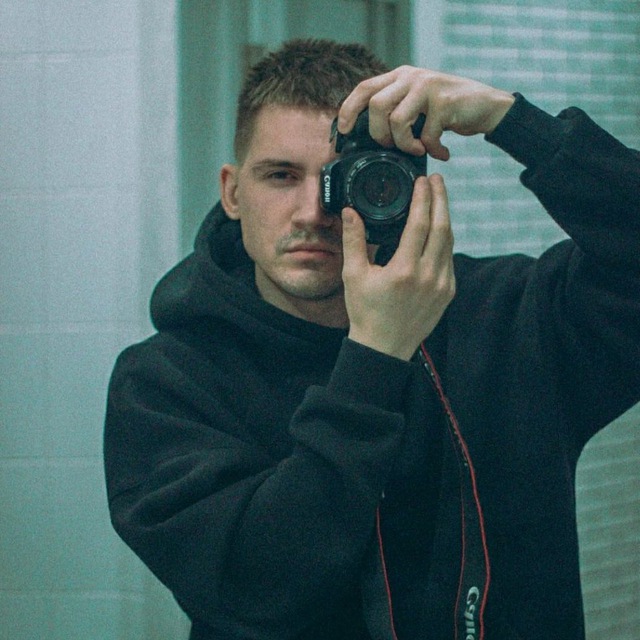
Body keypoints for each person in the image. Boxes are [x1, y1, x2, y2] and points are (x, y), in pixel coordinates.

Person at [104, 38, 640, 640]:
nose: (314, 211)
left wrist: (512, 121)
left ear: (409, 186)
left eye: (345, 179)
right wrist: (376, 356)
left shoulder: (508, 320)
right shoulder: (165, 383)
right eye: (280, 176)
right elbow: (256, 588)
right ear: (232, 192)